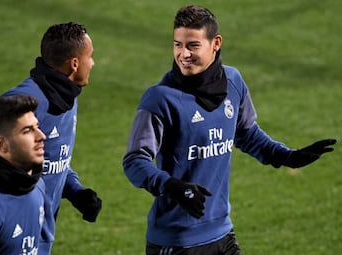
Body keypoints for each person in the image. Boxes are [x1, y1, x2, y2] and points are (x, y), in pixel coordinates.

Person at [122, 5, 337, 255]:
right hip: (176, 241)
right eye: (177, 44)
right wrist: (171, 185)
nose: (183, 54)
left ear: (216, 43)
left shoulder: (233, 82)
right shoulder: (160, 99)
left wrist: (287, 156)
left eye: (192, 45)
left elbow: (246, 134)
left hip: (222, 233)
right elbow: (135, 160)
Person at [0, 22, 102, 255]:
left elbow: (54, 157)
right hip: (10, 234)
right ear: (74, 64)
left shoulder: (68, 98)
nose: (94, 63)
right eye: (91, 56)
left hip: (40, 231)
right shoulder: (21, 104)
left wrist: (75, 190)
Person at [0, 95, 46, 255]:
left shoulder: (37, 185)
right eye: (27, 131)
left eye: (37, 127)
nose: (41, 136)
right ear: (1, 145)